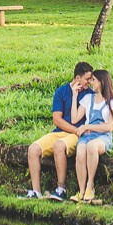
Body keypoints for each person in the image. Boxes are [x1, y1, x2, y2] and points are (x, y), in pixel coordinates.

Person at [24, 62, 94, 200]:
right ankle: (36, 191)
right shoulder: (61, 92)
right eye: (87, 79)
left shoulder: (90, 94)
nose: (90, 82)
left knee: (59, 145)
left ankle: (61, 188)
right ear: (78, 78)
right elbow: (57, 119)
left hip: (78, 135)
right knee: (33, 149)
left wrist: (79, 131)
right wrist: (75, 130)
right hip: (65, 131)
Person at [71, 69, 113, 204]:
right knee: (80, 150)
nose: (91, 82)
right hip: (87, 136)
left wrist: (87, 126)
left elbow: (110, 126)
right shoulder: (88, 99)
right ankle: (81, 191)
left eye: (93, 80)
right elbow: (74, 119)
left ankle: (90, 185)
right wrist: (74, 96)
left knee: (92, 146)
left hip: (103, 137)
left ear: (101, 82)